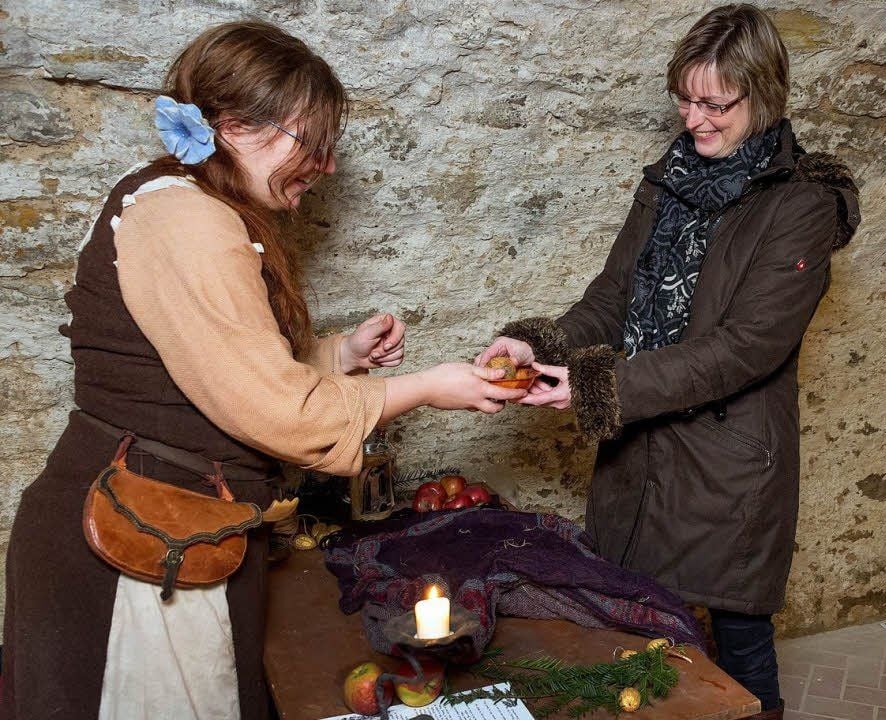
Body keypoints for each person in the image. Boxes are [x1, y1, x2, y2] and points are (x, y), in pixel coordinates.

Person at [1, 21, 524, 720]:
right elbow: (278, 412)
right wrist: (429, 388)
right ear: (239, 125)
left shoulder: (182, 202)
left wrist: (341, 357)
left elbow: (205, 365)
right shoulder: (187, 221)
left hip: (170, 526)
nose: (327, 166)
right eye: (312, 142)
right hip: (143, 540)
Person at [476, 5, 860, 718]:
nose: (694, 120)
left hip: (729, 462)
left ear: (765, 95)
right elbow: (612, 298)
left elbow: (745, 347)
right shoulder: (669, 177)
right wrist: (538, 343)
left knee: (739, 640)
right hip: (640, 445)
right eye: (684, 98)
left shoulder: (802, 204)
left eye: (716, 103)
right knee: (635, 634)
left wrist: (598, 386)